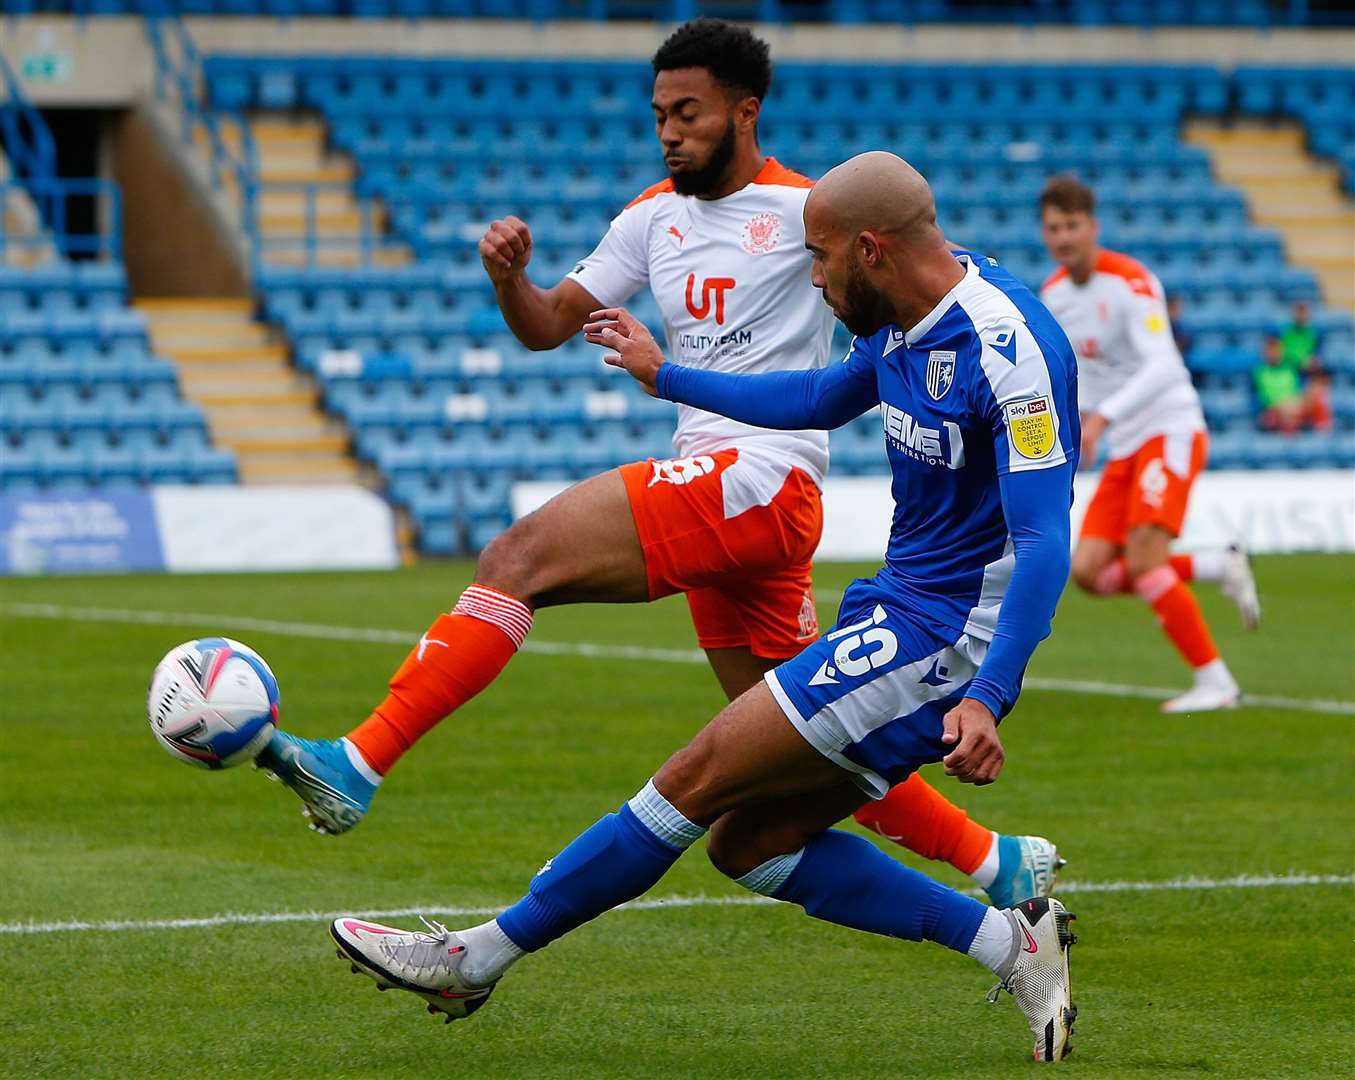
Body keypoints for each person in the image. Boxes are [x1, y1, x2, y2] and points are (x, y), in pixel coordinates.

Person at [255, 19, 1060, 908]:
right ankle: (993, 861)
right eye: (658, 115)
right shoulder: (651, 217)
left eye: (688, 112)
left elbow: (898, 292)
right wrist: (508, 283)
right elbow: (547, 326)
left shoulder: (810, 215)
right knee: (790, 737)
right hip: (726, 487)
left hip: (762, 479)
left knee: (517, 560)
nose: (669, 131)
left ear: (743, 113)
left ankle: (360, 760)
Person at [328, 153, 1081, 1063]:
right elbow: (814, 397)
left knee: (691, 779)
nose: (811, 276)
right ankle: (1010, 940)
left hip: (940, 644)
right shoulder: (906, 310)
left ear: (871, 250)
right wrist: (669, 375)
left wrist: (986, 696)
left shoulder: (1010, 353)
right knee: (750, 842)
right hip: (896, 609)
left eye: (818, 258)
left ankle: (474, 957)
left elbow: (1044, 543)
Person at [1038, 175, 1261, 713]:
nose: (1063, 237)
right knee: (1089, 570)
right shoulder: (1054, 295)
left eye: (1072, 226)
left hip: (1170, 427)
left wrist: (1102, 418)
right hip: (1124, 442)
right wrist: (1079, 421)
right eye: (1053, 228)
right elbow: (1081, 372)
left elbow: (1163, 363)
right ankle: (1215, 567)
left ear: (1092, 227)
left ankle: (1216, 682)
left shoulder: (1132, 283)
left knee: (1143, 560)